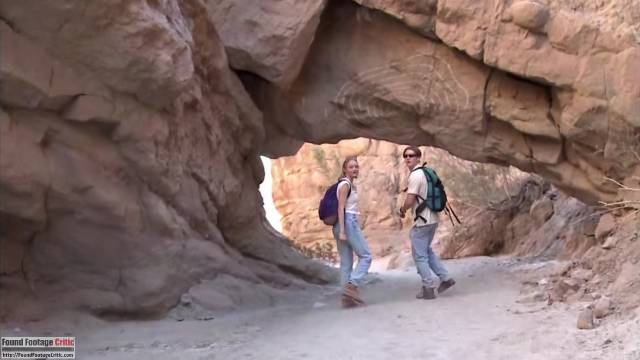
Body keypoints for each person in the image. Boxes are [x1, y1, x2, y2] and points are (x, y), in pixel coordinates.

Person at [399, 146, 455, 299]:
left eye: (412, 155)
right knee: (426, 252)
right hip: (433, 219)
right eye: (406, 156)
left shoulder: (416, 176)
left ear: (418, 157)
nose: (408, 158)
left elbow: (410, 199)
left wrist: (402, 209)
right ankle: (446, 278)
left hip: (423, 221)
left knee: (420, 256)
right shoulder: (425, 172)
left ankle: (428, 288)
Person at [333, 156, 372, 307]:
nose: (355, 169)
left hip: (343, 223)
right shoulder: (345, 185)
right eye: (351, 167)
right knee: (366, 256)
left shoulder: (347, 184)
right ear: (344, 169)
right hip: (347, 223)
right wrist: (343, 230)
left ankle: (346, 299)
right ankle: (352, 286)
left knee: (346, 263)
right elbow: (341, 208)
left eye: (356, 166)